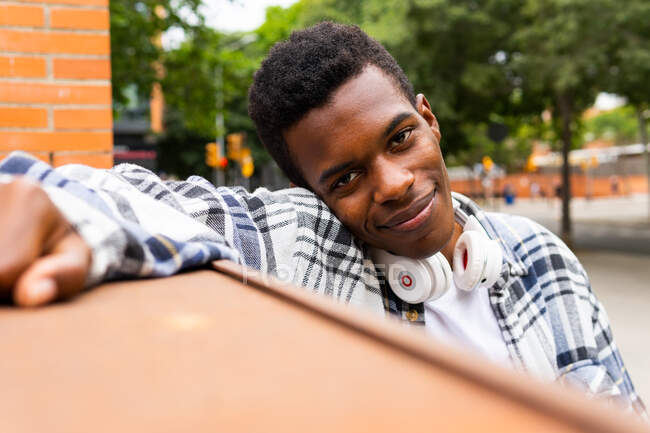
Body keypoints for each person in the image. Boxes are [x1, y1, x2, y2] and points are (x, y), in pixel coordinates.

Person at [0, 22, 645, 416]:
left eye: (400, 139)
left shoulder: (543, 257)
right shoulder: (309, 245)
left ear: (430, 120)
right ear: (311, 193)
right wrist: (50, 205)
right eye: (346, 178)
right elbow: (142, 199)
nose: (393, 184)